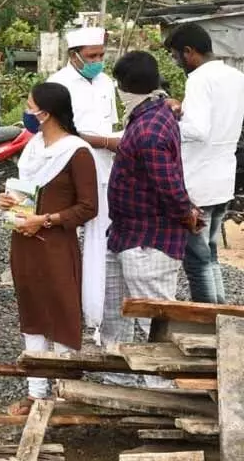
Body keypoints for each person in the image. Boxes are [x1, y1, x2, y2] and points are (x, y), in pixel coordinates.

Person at [0, 83, 98, 414]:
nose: (26, 112)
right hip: (23, 241)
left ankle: (68, 390)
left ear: (47, 112)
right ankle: (37, 391)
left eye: (30, 106)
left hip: (55, 244)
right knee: (32, 310)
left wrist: (46, 220)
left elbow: (88, 207)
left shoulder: (77, 151)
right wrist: (7, 201)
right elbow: (25, 191)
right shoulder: (34, 147)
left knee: (63, 311)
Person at [101, 51, 200, 386]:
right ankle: (119, 382)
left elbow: (169, 186)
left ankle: (165, 392)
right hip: (127, 234)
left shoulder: (150, 128)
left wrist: (187, 214)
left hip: (149, 239)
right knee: (116, 315)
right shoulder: (152, 112)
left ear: (124, 87)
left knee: (154, 320)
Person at [166, 24, 244, 303]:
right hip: (222, 179)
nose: (177, 63)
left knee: (197, 262)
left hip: (197, 182)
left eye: (176, 56)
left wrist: (171, 120)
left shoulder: (199, 79)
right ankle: (220, 316)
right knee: (210, 255)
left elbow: (197, 130)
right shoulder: (236, 76)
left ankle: (208, 323)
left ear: (189, 52)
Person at [46, 27, 117, 332]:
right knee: (62, 238)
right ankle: (63, 305)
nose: (98, 61)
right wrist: (103, 141)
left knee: (99, 241)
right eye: (92, 56)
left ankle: (95, 312)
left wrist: (109, 141)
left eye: (101, 55)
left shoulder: (106, 83)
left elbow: (109, 123)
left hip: (102, 170)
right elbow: (56, 130)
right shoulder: (57, 84)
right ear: (74, 56)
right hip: (64, 169)